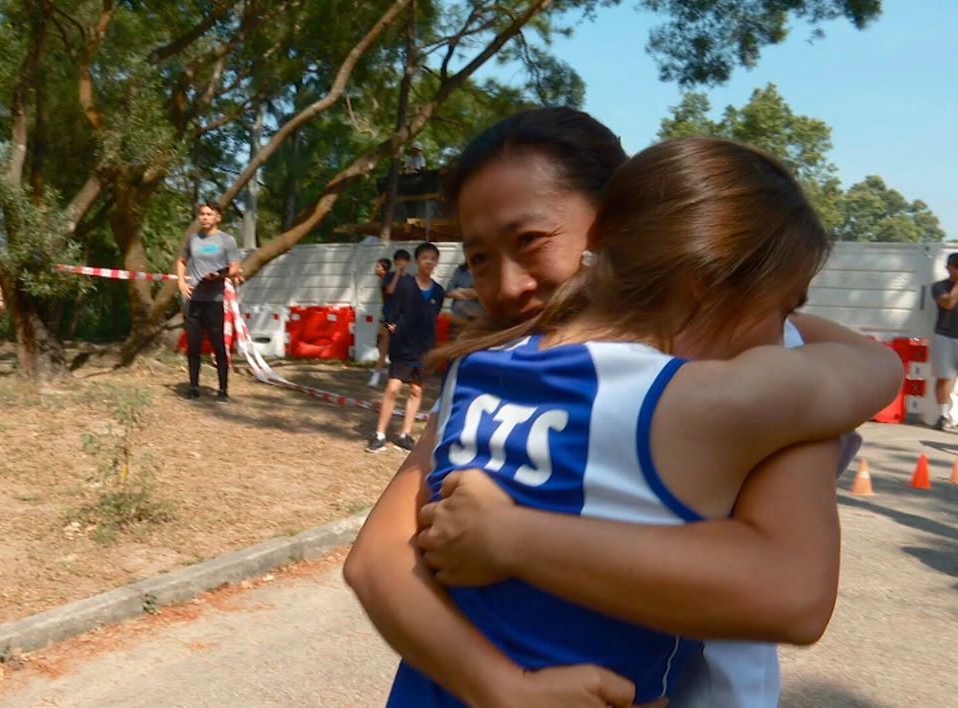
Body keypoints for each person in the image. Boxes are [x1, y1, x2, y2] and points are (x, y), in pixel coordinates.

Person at [344, 109, 892, 707]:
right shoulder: (731, 390)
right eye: (477, 258)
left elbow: (790, 594)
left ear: (611, 227)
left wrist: (513, 542)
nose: (507, 285)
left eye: (530, 240)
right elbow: (876, 368)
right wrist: (504, 689)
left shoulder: (481, 372)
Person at [366, 243, 445, 453]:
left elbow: (433, 317)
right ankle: (379, 434)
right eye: (425, 258)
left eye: (433, 258)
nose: (429, 262)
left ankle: (405, 435)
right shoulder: (405, 284)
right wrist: (390, 323)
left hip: (425, 347)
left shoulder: (439, 291)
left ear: (436, 262)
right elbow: (393, 308)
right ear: (417, 261)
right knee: (393, 388)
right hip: (403, 344)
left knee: (416, 391)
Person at [176, 201, 242, 402]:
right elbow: (181, 260)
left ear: (218, 217)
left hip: (214, 300)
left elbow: (234, 268)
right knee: (193, 345)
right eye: (202, 214)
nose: (204, 217)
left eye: (209, 214)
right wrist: (181, 281)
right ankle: (193, 387)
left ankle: (223, 390)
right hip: (193, 299)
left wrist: (219, 275)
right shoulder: (193, 239)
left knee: (218, 345)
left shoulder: (227, 240)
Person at [369, 250, 411, 387]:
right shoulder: (389, 277)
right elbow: (390, 290)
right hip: (389, 317)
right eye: (398, 260)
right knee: (383, 345)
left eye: (403, 260)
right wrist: (397, 273)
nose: (401, 263)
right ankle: (376, 374)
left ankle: (397, 373)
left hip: (403, 319)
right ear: (395, 262)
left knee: (400, 349)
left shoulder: (410, 279)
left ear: (408, 262)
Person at [931, 252, 958, 430]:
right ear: (948, 268)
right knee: (945, 377)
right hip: (945, 335)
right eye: (957, 267)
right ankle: (943, 415)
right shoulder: (939, 286)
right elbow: (948, 303)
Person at [444, 262, 483, 333]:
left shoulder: (484, 270)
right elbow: (449, 291)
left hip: (477, 318)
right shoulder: (460, 270)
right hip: (458, 317)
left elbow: (482, 292)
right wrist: (467, 293)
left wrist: (460, 290)